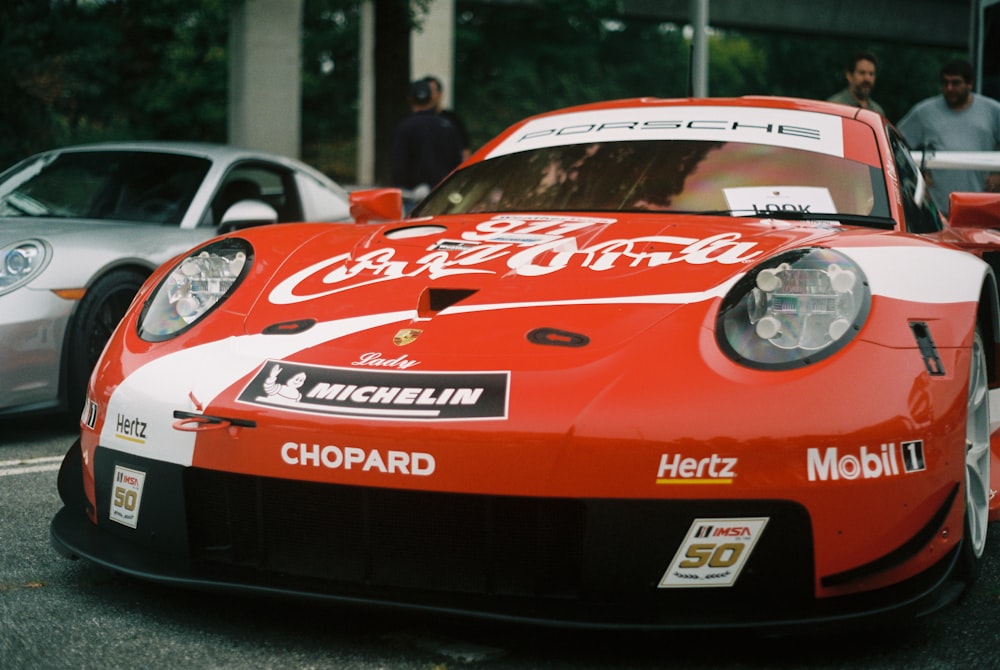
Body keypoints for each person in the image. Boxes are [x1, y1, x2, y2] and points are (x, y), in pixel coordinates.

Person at [897, 58, 1000, 215]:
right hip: (937, 212)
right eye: (945, 83)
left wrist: (998, 173)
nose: (949, 88)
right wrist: (915, 174)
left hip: (982, 210)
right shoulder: (924, 112)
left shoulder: (992, 111)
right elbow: (895, 145)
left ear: (970, 84)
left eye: (956, 83)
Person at [390, 78, 464, 199]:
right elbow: (457, 160)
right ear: (432, 98)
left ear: (410, 99)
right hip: (443, 194)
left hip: (412, 194)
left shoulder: (404, 127)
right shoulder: (447, 125)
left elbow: (399, 165)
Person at [423, 75, 471, 159]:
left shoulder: (452, 120)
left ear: (440, 94)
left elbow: (465, 151)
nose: (430, 96)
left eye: (432, 91)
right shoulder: (413, 122)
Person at [827, 51, 885, 115]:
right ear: (849, 76)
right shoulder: (835, 106)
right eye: (862, 73)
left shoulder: (877, 111)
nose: (867, 79)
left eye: (871, 74)